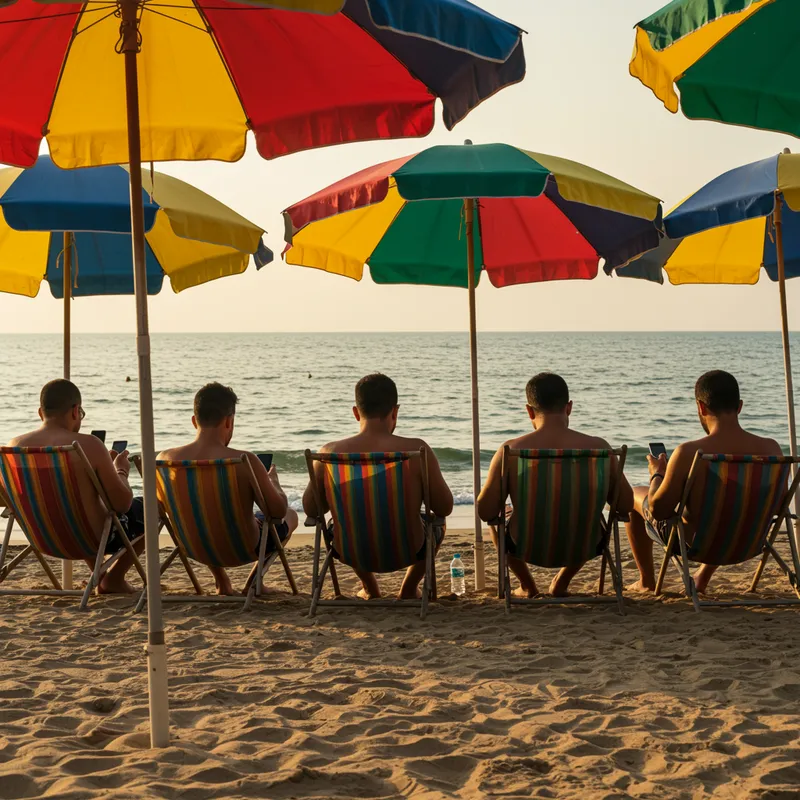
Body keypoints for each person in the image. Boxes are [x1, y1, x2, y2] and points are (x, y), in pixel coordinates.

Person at [626, 370, 782, 594]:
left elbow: (658, 510)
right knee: (730, 501)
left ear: (701, 407)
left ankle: (646, 581)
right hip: (749, 543)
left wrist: (657, 474)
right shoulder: (771, 450)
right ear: (739, 406)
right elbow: (777, 506)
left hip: (697, 546)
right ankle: (702, 577)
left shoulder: (690, 452)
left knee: (634, 494)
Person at [478, 372, 633, 597]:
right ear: (569, 407)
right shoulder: (600, 450)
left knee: (496, 523)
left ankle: (528, 586)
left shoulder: (510, 452)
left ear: (529, 410)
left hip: (525, 545)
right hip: (585, 545)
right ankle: (562, 581)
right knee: (587, 516)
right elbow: (625, 505)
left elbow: (486, 511)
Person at [302, 373, 453, 600]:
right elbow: (444, 508)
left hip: (350, 551)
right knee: (437, 527)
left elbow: (312, 510)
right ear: (395, 411)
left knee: (345, 521)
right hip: (409, 548)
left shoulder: (328, 454)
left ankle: (370, 588)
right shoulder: (417, 451)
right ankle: (409, 589)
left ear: (355, 412)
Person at [158, 382, 297, 596]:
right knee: (291, 515)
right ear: (229, 421)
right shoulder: (244, 461)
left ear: (194, 421)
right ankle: (253, 581)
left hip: (193, 547)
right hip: (242, 548)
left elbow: (161, 509)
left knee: (201, 514)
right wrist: (274, 484)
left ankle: (222, 581)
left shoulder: (165, 460)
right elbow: (276, 512)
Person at [8, 379, 143, 593]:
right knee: (148, 506)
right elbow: (122, 504)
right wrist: (120, 470)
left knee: (78, 501)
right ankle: (113, 579)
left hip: (41, 537)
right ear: (75, 411)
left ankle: (99, 575)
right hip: (90, 539)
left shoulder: (13, 447)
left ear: (40, 412)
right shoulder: (88, 445)